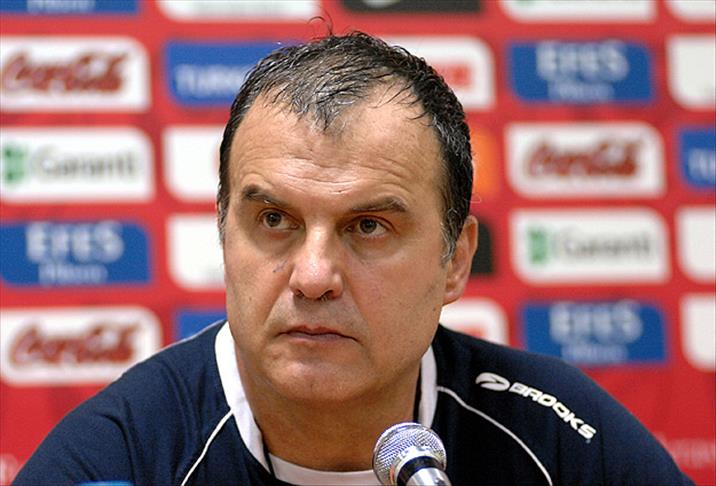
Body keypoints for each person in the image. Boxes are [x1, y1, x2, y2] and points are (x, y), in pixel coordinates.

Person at [14, 32, 692, 486]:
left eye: (368, 226)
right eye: (274, 220)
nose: (313, 277)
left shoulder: (560, 441)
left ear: (455, 262)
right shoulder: (114, 458)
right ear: (224, 237)